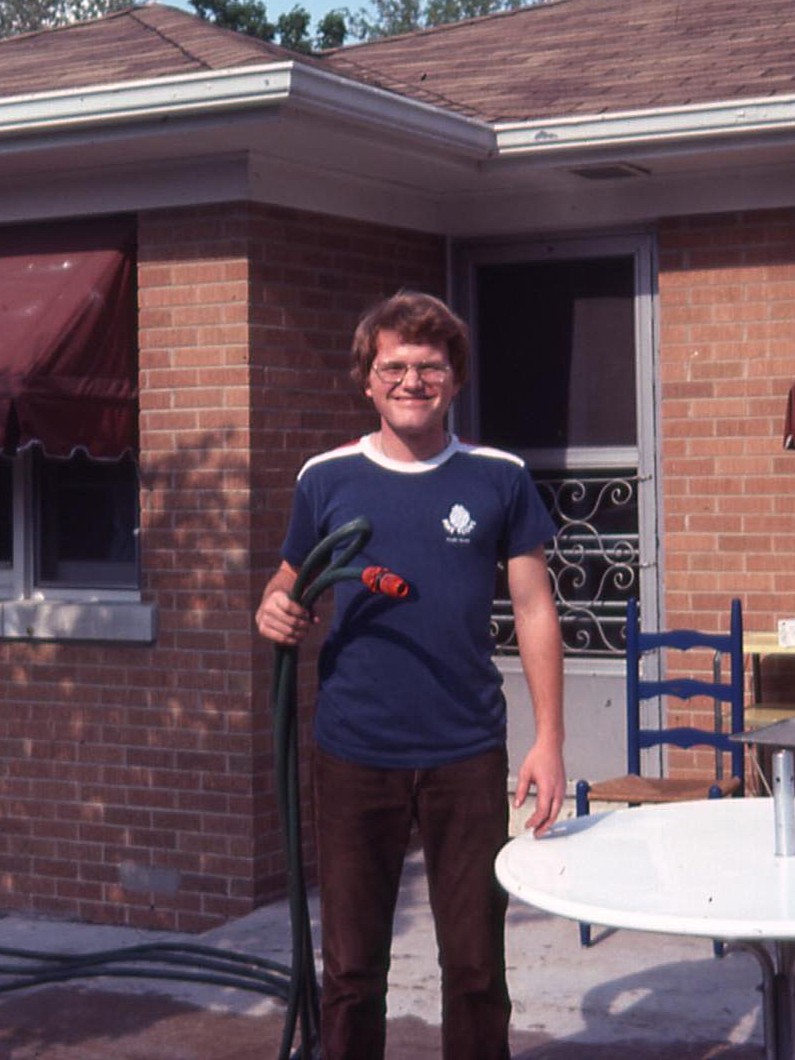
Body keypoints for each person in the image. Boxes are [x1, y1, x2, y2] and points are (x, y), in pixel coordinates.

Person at [256, 291, 565, 1060]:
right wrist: (274, 607)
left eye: (429, 367)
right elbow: (290, 580)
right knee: (352, 970)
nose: (411, 381)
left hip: (465, 749)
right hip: (354, 750)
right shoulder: (326, 478)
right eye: (393, 367)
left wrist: (548, 741)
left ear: (454, 378)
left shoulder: (498, 477)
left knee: (475, 967)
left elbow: (533, 608)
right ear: (367, 380)